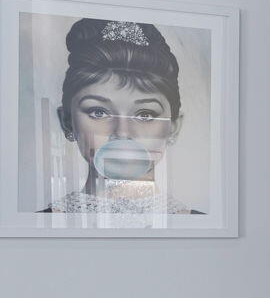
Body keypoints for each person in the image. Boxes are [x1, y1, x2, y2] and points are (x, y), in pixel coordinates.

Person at [41, 17, 203, 216]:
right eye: (98, 112)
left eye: (145, 115)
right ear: (67, 122)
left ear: (173, 128)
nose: (122, 133)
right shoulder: (39, 224)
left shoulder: (200, 224)